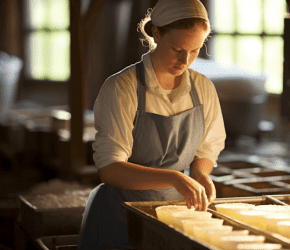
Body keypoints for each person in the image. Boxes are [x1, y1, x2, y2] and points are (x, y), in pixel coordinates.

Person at [77, 0, 226, 249]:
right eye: (176, 48)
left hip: (175, 214)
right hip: (121, 215)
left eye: (195, 50)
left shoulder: (203, 89)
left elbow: (207, 148)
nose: (184, 60)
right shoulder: (122, 88)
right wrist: (175, 178)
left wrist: (200, 173)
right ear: (156, 34)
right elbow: (111, 169)